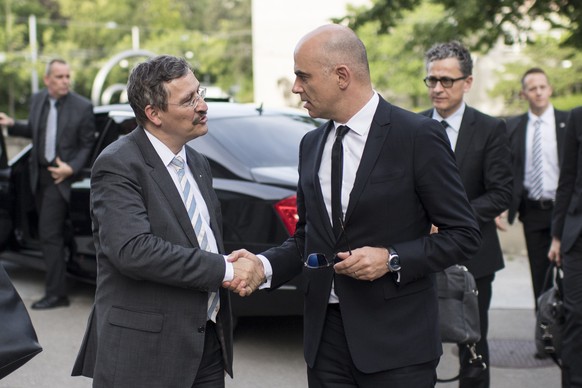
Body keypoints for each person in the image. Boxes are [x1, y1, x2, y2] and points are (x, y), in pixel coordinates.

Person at [227, 24, 481, 388]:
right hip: (324, 341)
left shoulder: (418, 137)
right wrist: (263, 265)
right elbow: (307, 237)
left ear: (342, 76)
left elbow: (464, 235)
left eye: (303, 76)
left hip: (398, 345)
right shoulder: (311, 144)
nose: (297, 87)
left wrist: (391, 257)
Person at [71, 55, 265, 387]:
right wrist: (228, 270)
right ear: (154, 114)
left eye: (199, 93)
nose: (203, 106)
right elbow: (134, 250)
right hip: (144, 354)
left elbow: (200, 239)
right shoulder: (118, 164)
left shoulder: (198, 162)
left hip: (205, 345)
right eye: (189, 100)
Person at [420, 41, 513, 388]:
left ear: (468, 82)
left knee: (472, 343)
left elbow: (501, 193)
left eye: (447, 80)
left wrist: (449, 218)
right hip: (422, 254)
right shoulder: (411, 126)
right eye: (431, 80)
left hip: (475, 255)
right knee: (419, 343)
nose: (438, 88)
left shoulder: (490, 129)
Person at [0, 59, 95, 309]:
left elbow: (87, 144)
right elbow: (36, 130)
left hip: (60, 177)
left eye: (67, 76)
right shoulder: (38, 100)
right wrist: (12, 125)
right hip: (36, 176)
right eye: (59, 77)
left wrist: (71, 168)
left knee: (49, 234)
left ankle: (57, 294)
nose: (65, 81)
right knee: (47, 231)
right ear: (47, 80)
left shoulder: (82, 107)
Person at [504, 68, 569, 312]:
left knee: (571, 275)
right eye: (532, 88)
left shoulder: (568, 122)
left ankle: (571, 336)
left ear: (550, 89)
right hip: (533, 211)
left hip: (566, 211)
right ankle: (545, 334)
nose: (539, 92)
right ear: (524, 94)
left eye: (543, 87)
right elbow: (507, 170)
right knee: (540, 277)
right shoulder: (513, 127)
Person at [548, 106, 582, 388]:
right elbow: (567, 179)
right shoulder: (577, 117)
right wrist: (557, 236)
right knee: (575, 316)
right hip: (577, 237)